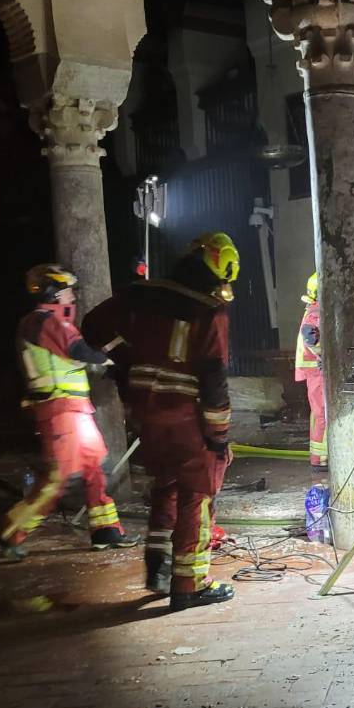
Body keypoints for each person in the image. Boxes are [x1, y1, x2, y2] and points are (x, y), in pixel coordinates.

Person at [82, 233, 238, 612]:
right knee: (197, 494)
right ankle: (190, 584)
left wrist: (126, 361)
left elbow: (92, 325)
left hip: (145, 413)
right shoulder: (209, 310)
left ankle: (159, 568)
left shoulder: (141, 294)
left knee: (166, 485)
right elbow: (213, 376)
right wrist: (219, 436)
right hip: (186, 415)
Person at [0, 264, 138, 560]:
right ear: (53, 293)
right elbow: (79, 352)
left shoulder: (43, 325)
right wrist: (115, 359)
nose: (72, 298)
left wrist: (106, 359)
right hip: (60, 412)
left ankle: (106, 531)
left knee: (95, 469)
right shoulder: (45, 323)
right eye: (68, 292)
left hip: (75, 410)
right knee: (56, 480)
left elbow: (75, 360)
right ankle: (11, 530)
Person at [295, 272, 327, 475]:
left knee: (319, 415)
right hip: (317, 371)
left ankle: (320, 457)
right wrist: (325, 355)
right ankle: (321, 459)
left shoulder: (313, 310)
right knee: (323, 415)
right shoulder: (316, 313)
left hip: (315, 371)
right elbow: (311, 337)